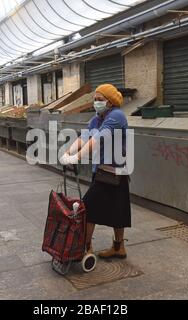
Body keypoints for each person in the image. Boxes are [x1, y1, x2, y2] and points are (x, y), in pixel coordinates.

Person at [60, 84, 131, 259]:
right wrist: (67, 153)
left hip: (115, 172)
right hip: (101, 171)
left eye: (100, 99)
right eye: (95, 99)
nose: (96, 102)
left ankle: (85, 248)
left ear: (110, 101)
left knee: (89, 207)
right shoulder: (96, 119)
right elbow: (83, 138)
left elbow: (98, 139)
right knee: (117, 209)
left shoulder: (117, 116)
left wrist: (76, 158)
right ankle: (118, 248)